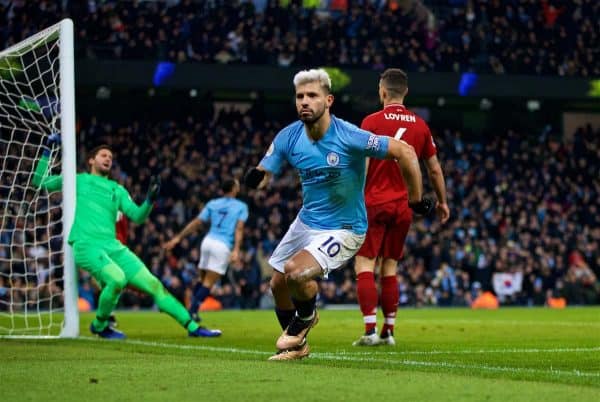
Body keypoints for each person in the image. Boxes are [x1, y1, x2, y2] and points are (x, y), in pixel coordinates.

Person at [244, 68, 431, 360]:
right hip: (307, 222)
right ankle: (297, 346)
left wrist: (416, 200)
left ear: (328, 100)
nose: (305, 102)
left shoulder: (350, 135)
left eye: (312, 96)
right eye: (300, 96)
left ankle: (307, 317)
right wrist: (257, 178)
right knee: (277, 283)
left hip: (346, 228)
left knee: (295, 272)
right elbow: (265, 171)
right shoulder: (288, 137)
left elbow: (405, 152)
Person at [31, 138, 221, 338]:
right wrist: (46, 151)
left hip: (113, 246)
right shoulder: (79, 180)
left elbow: (137, 216)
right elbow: (39, 181)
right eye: (103, 155)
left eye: (110, 157)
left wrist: (149, 200)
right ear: (91, 160)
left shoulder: (118, 190)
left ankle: (193, 327)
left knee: (154, 285)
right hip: (86, 245)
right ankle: (100, 325)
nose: (108, 159)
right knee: (117, 279)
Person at [352, 68, 450, 347]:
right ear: (405, 92)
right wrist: (442, 201)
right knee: (390, 267)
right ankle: (389, 332)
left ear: (382, 91)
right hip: (404, 206)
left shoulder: (370, 121)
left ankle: (370, 331)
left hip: (373, 202)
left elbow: (363, 162)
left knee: (364, 263)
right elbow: (434, 170)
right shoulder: (421, 126)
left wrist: (354, 198)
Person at [163, 178, 248, 328]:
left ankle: (191, 308)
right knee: (208, 283)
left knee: (202, 280)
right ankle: (192, 311)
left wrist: (178, 237)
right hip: (222, 245)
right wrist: (236, 250)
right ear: (234, 189)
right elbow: (239, 229)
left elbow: (197, 222)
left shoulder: (212, 203)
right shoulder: (241, 206)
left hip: (207, 242)